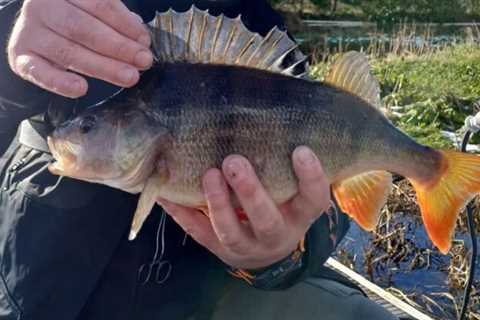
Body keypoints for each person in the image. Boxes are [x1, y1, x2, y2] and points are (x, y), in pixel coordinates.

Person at [0, 0, 397, 319]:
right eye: (88, 127)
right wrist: (12, 44)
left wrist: (280, 255)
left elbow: (327, 164)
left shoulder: (256, 25)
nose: (74, 135)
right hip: (34, 288)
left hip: (200, 299)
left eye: (86, 128)